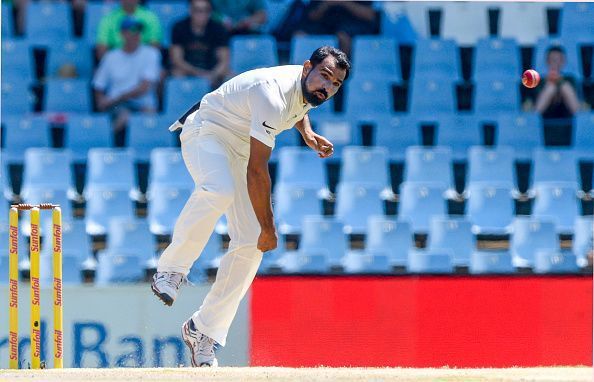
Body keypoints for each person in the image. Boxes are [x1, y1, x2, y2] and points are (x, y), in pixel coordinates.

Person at [150, 46, 350, 367]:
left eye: (335, 84)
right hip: (208, 130)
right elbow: (258, 172)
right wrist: (270, 228)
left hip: (240, 146)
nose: (327, 88)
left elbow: (298, 106)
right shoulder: (270, 94)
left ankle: (203, 330)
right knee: (219, 191)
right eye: (324, 77)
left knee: (250, 240)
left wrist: (308, 132)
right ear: (306, 67)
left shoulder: (303, 86)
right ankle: (171, 270)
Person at [93, 17, 161, 146]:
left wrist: (116, 98)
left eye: (138, 31)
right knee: (124, 114)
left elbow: (144, 88)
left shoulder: (151, 53)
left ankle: (104, 140)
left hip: (141, 105)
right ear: (122, 33)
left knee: (140, 115)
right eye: (132, 30)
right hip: (117, 106)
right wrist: (101, 102)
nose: (136, 34)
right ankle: (105, 144)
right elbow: (98, 85)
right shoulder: (111, 56)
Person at [170, 0, 230, 88]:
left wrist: (213, 75)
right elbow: (177, 60)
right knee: (176, 74)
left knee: (230, 77)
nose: (202, 14)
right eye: (197, 10)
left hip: (212, 71)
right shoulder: (179, 27)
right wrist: (199, 74)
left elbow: (224, 60)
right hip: (188, 70)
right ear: (190, 10)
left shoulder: (219, 29)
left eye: (206, 10)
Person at [297, 1, 378, 55]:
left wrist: (343, 2)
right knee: (300, 35)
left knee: (342, 36)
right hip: (326, 23)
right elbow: (312, 16)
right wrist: (326, 4)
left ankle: (342, 72)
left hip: (353, 24)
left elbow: (370, 15)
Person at [96, 0, 162, 60]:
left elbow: (154, 46)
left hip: (143, 60)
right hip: (117, 60)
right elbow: (102, 46)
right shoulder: (108, 18)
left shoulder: (150, 17)